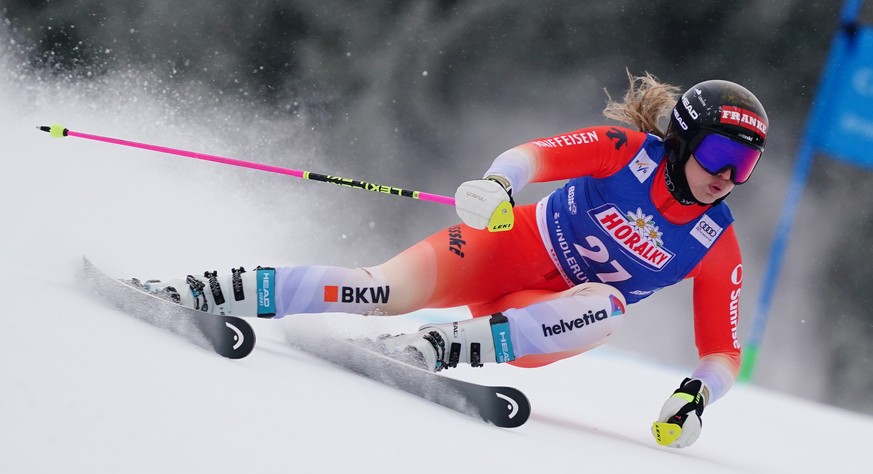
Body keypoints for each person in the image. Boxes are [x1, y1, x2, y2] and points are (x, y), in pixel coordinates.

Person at [135, 72, 768, 449]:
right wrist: (497, 185)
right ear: (682, 138)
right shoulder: (625, 151)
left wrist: (696, 395)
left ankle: (432, 348)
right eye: (720, 155)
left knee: (608, 309)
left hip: (540, 318)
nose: (727, 177)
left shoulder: (716, 241)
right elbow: (532, 156)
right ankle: (206, 290)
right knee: (376, 289)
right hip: (502, 250)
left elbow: (723, 352)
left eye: (744, 165)